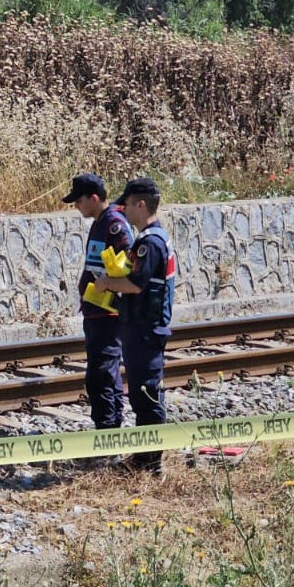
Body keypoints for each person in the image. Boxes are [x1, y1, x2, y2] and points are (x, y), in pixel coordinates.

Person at [94, 178, 176, 474]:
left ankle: (149, 462)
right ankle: (145, 459)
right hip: (142, 327)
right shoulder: (155, 238)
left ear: (140, 204)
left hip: (144, 328)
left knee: (147, 393)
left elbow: (136, 285)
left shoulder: (150, 242)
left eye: (127, 204)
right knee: (143, 393)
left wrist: (106, 283)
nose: (123, 209)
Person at [64, 172, 134, 430]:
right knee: (104, 373)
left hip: (107, 313)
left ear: (94, 198)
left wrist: (107, 284)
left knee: (101, 375)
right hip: (95, 311)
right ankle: (109, 425)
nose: (76, 206)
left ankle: (107, 432)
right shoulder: (101, 221)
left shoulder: (114, 223)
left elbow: (129, 261)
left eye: (78, 201)